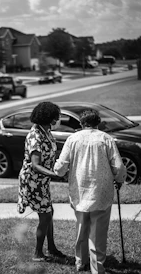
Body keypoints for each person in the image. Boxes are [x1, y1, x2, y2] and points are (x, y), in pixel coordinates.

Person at [54, 109, 127, 273]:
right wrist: (119, 179)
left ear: (81, 123)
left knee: (81, 228)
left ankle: (80, 262)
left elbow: (61, 166)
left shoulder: (72, 139)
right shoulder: (106, 138)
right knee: (98, 233)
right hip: (101, 192)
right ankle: (97, 267)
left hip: (80, 192)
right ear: (98, 123)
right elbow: (119, 167)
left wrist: (58, 170)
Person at [17, 101, 66, 262]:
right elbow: (36, 165)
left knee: (49, 213)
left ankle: (51, 248)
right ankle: (38, 253)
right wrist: (55, 174)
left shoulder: (46, 131)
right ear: (48, 117)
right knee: (45, 216)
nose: (57, 119)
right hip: (33, 181)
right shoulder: (35, 136)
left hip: (42, 181)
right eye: (55, 117)